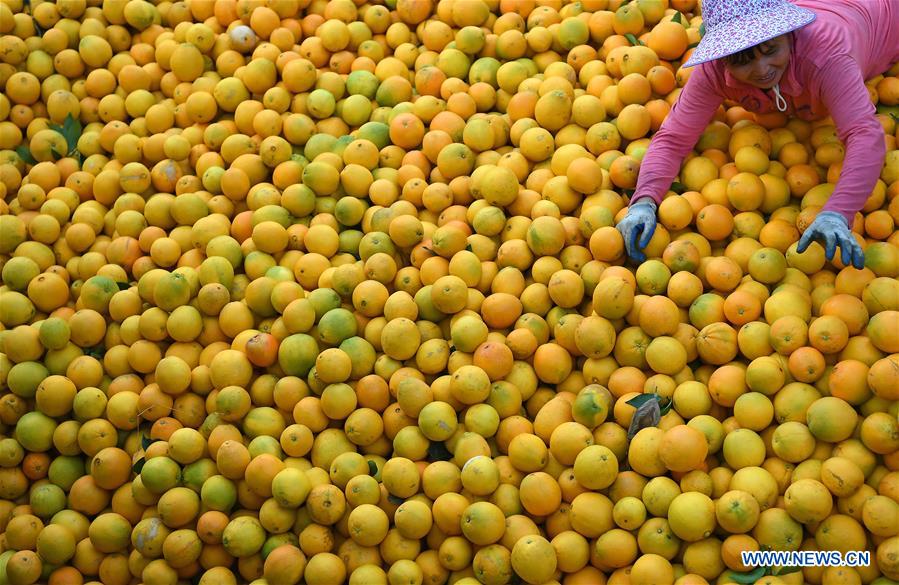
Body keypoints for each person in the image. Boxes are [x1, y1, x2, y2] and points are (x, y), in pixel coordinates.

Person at [616, 0, 899, 268]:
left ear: (787, 33)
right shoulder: (714, 70)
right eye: (743, 60)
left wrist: (837, 213)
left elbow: (864, 133)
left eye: (770, 50)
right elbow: (674, 137)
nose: (762, 70)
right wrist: (643, 201)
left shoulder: (826, 55)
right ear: (724, 59)